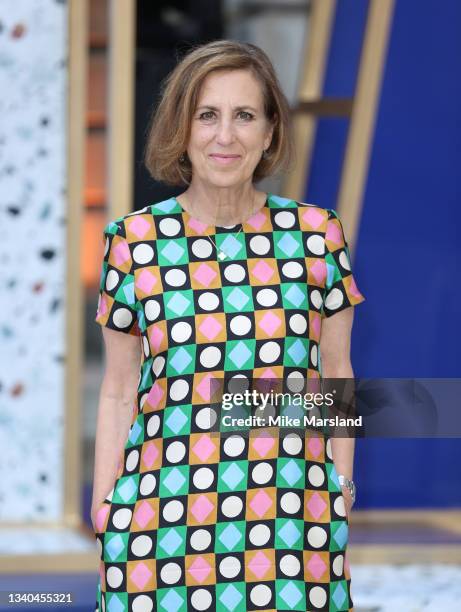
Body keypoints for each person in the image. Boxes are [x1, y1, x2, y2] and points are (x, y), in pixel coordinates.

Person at [92, 39, 365, 612]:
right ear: (182, 129)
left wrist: (338, 490)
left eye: (245, 116)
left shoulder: (317, 235)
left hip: (292, 519)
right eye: (207, 115)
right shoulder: (134, 243)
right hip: (159, 518)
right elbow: (119, 389)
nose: (225, 136)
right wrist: (104, 504)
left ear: (269, 133)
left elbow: (336, 374)